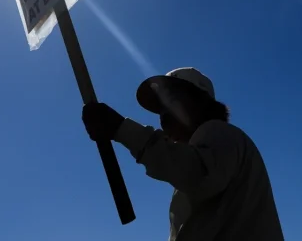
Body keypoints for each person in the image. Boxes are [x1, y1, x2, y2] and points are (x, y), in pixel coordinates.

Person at [82, 67, 284, 241]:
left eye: (172, 100)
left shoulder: (218, 131)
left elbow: (197, 174)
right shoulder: (214, 150)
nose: (163, 116)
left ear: (201, 102)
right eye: (160, 108)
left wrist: (120, 128)